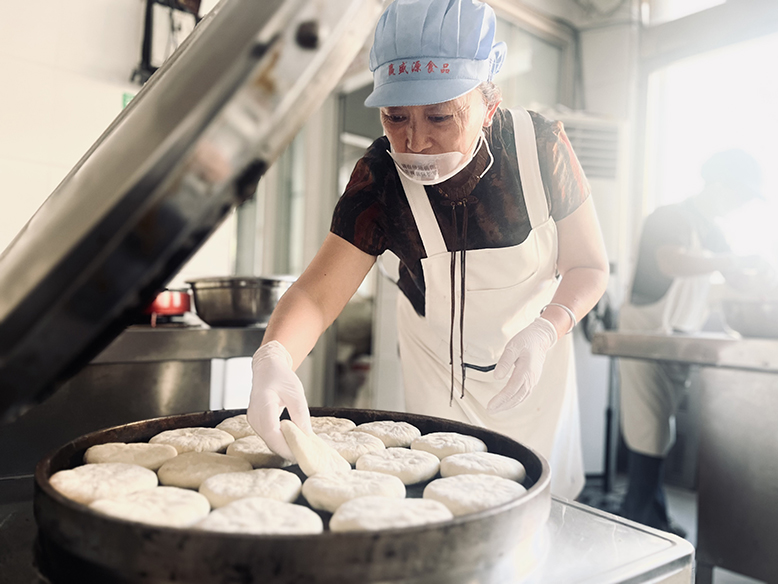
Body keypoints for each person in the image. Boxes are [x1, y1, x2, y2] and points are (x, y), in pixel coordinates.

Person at [247, 0, 609, 499]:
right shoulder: (379, 179)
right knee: (436, 504)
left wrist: (549, 329)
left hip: (534, 374)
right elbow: (316, 294)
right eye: (396, 117)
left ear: (489, 106)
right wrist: (274, 357)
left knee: (537, 513)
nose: (415, 141)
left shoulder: (539, 147)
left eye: (440, 117)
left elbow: (588, 265)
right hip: (436, 383)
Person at [618, 149, 770, 535]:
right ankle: (640, 517)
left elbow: (739, 283)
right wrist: (728, 263)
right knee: (647, 427)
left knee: (662, 430)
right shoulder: (668, 217)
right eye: (741, 194)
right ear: (719, 185)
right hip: (646, 333)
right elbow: (672, 262)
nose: (741, 205)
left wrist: (759, 278)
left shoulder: (714, 231)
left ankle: (648, 513)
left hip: (680, 339)